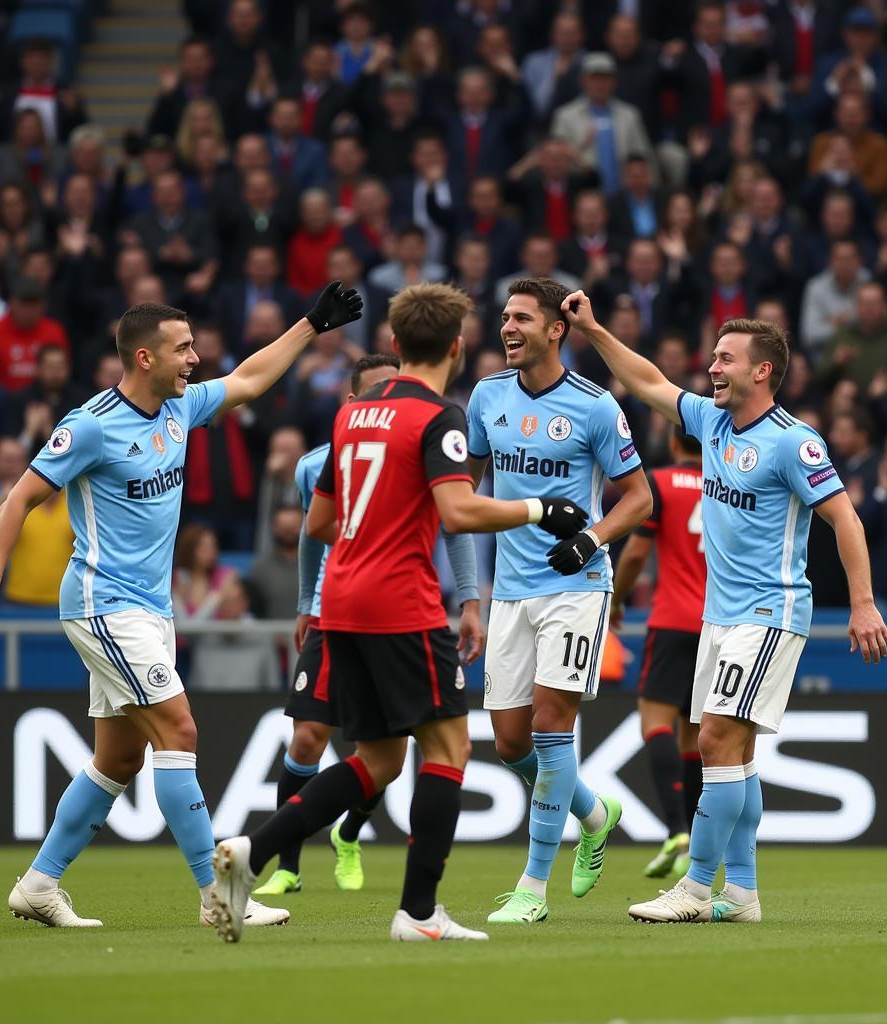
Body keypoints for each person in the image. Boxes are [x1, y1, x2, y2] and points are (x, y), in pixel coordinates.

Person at [0, 281, 364, 928]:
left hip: (150, 609)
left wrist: (313, 323)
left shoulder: (180, 408)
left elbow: (252, 378)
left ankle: (38, 884)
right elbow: (18, 499)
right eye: (183, 348)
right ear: (145, 358)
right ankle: (217, 895)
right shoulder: (90, 426)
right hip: (103, 602)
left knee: (117, 759)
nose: (195, 359)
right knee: (180, 731)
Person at [207, 282, 588, 944]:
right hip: (399, 602)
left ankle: (251, 853)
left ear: (393, 344)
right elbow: (461, 512)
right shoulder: (439, 417)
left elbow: (319, 522)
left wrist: (373, 526)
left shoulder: (351, 415)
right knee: (448, 746)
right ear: (457, 347)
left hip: (341, 602)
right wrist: (541, 510)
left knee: (378, 761)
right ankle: (418, 913)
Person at [561, 294, 887, 924]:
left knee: (713, 738)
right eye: (713, 356)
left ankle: (695, 887)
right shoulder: (711, 423)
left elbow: (844, 519)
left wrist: (863, 604)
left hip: (769, 614)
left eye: (725, 358)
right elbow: (648, 381)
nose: (712, 366)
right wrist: (596, 331)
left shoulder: (794, 443)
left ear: (761, 370)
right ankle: (741, 894)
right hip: (719, 616)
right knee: (735, 755)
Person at [254, 353, 485, 897]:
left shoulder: (418, 433)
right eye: (379, 391)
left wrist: (470, 598)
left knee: (386, 755)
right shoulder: (322, 459)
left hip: (376, 606)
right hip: (355, 608)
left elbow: (453, 528)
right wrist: (306, 605)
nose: (393, 398)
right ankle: (289, 866)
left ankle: (344, 834)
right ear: (353, 401)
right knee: (314, 736)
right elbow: (315, 534)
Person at [465, 277, 652, 925]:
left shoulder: (596, 407)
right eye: (504, 318)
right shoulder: (487, 398)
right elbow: (464, 497)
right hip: (510, 594)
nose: (507, 328)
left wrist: (592, 540)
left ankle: (532, 888)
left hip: (576, 586)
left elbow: (640, 497)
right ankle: (596, 814)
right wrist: (471, 591)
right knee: (510, 744)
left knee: (549, 729)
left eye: (521, 318)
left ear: (556, 330)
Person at [610, 428, 705, 880]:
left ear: (672, 443)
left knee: (655, 724)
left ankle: (675, 830)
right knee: (695, 738)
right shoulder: (729, 485)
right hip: (718, 625)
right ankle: (696, 841)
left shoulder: (661, 484)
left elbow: (634, 557)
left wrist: (616, 599)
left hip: (671, 620)